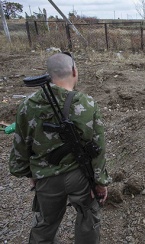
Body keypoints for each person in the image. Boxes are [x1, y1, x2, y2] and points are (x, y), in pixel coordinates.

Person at [9, 52, 111, 243]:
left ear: (49, 75)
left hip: (45, 177)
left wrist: (30, 174)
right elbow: (98, 148)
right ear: (74, 71)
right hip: (80, 176)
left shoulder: (27, 105)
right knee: (88, 216)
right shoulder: (88, 104)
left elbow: (20, 145)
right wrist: (100, 181)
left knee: (45, 222)